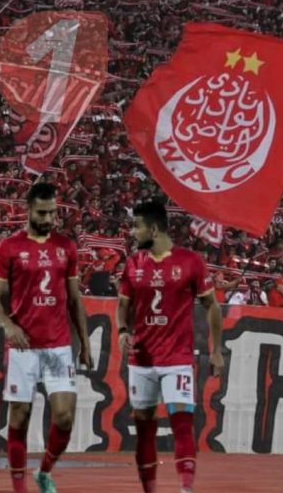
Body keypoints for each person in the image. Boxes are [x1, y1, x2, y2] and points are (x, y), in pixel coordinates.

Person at [0, 182, 93, 493]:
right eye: (42, 213)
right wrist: (8, 325)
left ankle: (44, 471)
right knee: (19, 416)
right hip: (22, 347)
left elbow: (74, 299)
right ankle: (19, 485)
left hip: (58, 346)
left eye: (52, 213)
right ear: (28, 210)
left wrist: (85, 344)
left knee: (64, 416)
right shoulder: (9, 247)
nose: (48, 219)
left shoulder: (66, 247)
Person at [116, 199, 225, 493]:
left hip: (177, 359)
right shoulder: (133, 264)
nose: (133, 232)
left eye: (137, 227)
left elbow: (212, 307)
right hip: (141, 359)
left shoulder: (190, 262)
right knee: (145, 429)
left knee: (181, 422)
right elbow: (123, 305)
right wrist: (122, 330)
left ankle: (186, 489)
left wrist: (216, 350)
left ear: (153, 229)